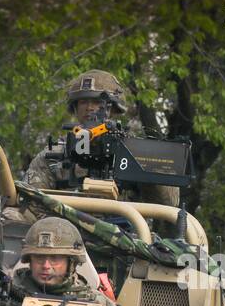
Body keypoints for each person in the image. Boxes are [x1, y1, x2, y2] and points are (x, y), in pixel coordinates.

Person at [12, 217, 197, 306]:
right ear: (29, 260)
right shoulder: (10, 294)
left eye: (55, 259)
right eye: (39, 258)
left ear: (71, 262)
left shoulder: (95, 302)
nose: (46, 266)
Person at [22, 70, 181, 208]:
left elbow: (169, 202)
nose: (90, 108)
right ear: (75, 108)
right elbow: (30, 201)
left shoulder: (135, 149)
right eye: (83, 101)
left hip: (125, 235)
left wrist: (140, 163)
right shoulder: (55, 153)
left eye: (97, 102)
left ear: (114, 109)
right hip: (66, 235)